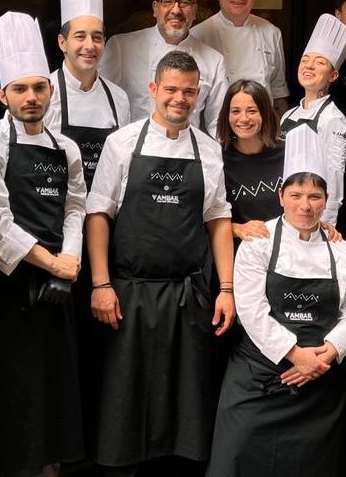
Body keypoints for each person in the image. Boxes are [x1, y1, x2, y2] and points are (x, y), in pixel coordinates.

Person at [86, 50, 235, 476]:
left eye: (189, 91)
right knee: (124, 401)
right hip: (128, 295)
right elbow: (98, 215)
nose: (180, 99)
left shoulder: (208, 150)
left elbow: (218, 220)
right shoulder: (122, 143)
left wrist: (225, 290)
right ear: (153, 90)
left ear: (199, 94)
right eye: (171, 89)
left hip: (188, 297)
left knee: (185, 404)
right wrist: (100, 284)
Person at [206, 124, 346, 477]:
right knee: (237, 459)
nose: (305, 206)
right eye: (296, 195)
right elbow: (251, 309)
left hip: (320, 386)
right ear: (280, 195)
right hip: (258, 378)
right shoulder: (258, 242)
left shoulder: (341, 250)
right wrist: (297, 355)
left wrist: (329, 352)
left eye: (314, 197)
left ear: (326, 200)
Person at [0, 12, 86, 477]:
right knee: (9, 382)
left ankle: (45, 464)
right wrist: (52, 264)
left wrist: (70, 258)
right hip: (6, 285)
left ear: (50, 90)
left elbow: (75, 207)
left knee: (50, 382)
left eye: (39, 87)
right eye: (21, 89)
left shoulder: (66, 148)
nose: (31, 97)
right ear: (3, 95)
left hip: (56, 287)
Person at [99, 0, 228, 137]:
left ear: (195, 11)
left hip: (186, 154)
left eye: (185, 3)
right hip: (133, 150)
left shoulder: (214, 61)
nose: (176, 10)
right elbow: (102, 109)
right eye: (167, 2)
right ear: (155, 8)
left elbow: (218, 124)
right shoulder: (121, 47)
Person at [44, 0, 131, 190]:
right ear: (62, 42)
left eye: (97, 37)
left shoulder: (119, 98)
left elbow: (121, 167)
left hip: (103, 214)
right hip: (54, 211)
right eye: (80, 36)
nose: (90, 45)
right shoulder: (43, 94)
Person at [280, 14, 346, 226]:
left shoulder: (334, 119)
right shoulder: (288, 115)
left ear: (333, 75)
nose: (309, 66)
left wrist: (326, 226)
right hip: (288, 211)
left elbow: (335, 177)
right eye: (305, 60)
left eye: (320, 62)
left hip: (313, 217)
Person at [191, 0, 290, 116]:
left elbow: (278, 94)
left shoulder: (272, 33)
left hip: (263, 129)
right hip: (217, 130)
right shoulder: (197, 36)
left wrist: (279, 132)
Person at [216, 79, 285, 247]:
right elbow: (205, 220)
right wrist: (237, 229)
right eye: (236, 111)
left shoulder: (289, 152)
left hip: (286, 258)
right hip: (240, 260)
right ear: (227, 115)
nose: (243, 118)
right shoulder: (216, 158)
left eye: (252, 111)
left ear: (265, 113)